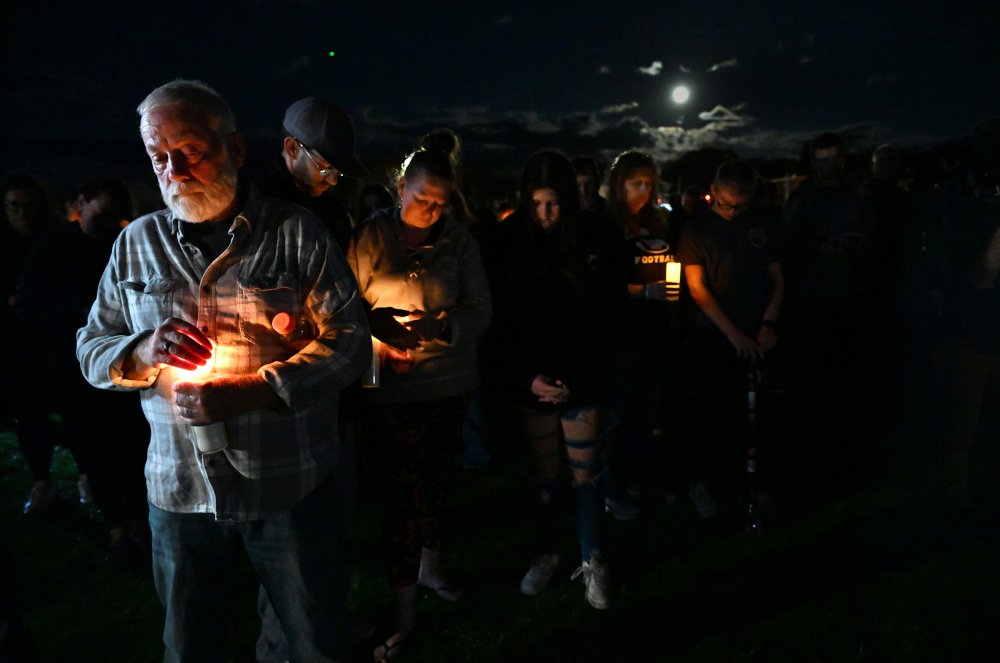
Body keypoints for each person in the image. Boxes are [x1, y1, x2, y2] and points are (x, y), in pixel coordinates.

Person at [76, 79, 371, 662]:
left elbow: (349, 343)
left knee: (312, 641)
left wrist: (257, 391)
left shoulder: (296, 234)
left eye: (189, 150)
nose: (174, 170)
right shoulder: (136, 244)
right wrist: (141, 351)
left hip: (286, 484)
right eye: (158, 157)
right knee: (190, 645)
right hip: (180, 493)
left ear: (234, 149)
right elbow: (91, 347)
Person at [347, 147, 491, 662]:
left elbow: (481, 307)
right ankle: (404, 608)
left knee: (436, 482)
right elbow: (346, 306)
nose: (432, 210)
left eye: (441, 202)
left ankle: (432, 566)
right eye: (423, 198)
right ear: (401, 186)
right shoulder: (369, 237)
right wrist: (378, 339)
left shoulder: (458, 241)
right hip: (392, 392)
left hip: (449, 385)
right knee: (401, 497)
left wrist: (444, 326)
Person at [492, 149, 614, 609]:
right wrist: (526, 378)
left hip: (583, 378)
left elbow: (606, 318)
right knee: (545, 477)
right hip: (532, 382)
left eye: (554, 204)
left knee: (586, 476)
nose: (544, 215)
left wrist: (582, 376)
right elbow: (502, 323)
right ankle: (548, 551)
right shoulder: (508, 240)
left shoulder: (594, 236)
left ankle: (593, 558)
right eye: (536, 204)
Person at [17, 175, 151, 559]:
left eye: (118, 217)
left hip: (125, 366)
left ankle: (139, 522)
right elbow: (28, 306)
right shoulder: (55, 247)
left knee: (131, 447)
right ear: (82, 204)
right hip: (72, 369)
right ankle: (116, 529)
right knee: (95, 451)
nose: (110, 223)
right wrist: (77, 318)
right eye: (104, 214)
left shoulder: (123, 248)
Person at [677, 159, 784, 515]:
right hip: (713, 336)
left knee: (753, 415)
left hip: (757, 333)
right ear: (714, 190)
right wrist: (734, 335)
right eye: (724, 203)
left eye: (738, 205)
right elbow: (697, 289)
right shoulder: (696, 229)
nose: (730, 211)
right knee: (710, 413)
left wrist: (767, 324)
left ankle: (749, 482)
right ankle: (704, 482)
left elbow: (777, 279)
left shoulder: (759, 225)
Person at [599, 151, 675, 521]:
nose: (644, 191)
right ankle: (611, 487)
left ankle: (638, 480)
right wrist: (642, 293)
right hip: (621, 333)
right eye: (636, 183)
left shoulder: (657, 222)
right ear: (619, 184)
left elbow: (670, 265)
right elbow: (603, 285)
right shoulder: (607, 225)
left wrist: (670, 292)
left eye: (649, 183)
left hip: (654, 329)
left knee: (646, 408)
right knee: (619, 409)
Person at [1, 172, 61, 512]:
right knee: (29, 413)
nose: (21, 214)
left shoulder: (52, 243)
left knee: (73, 410)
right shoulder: (5, 247)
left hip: (54, 339)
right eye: (13, 207)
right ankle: (42, 481)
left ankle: (88, 475)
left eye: (27, 206)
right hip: (17, 344)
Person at [256, 96, 369, 252]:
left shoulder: (335, 215)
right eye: (324, 167)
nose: (333, 181)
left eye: (338, 171)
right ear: (293, 148)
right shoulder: (256, 207)